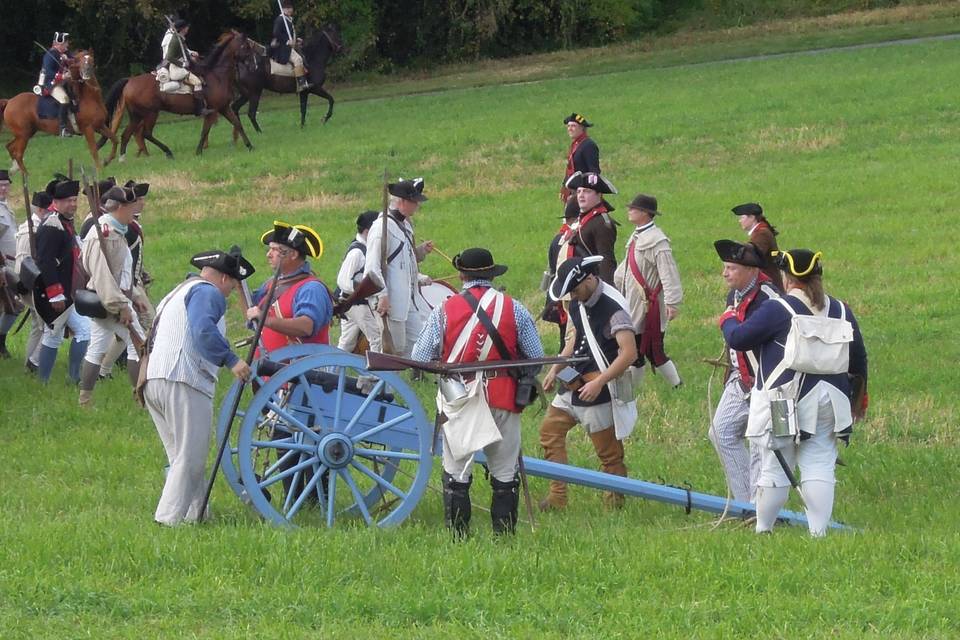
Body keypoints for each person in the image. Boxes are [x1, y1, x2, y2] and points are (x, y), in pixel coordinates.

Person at [720, 249, 868, 537]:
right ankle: (818, 534)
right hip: (830, 400)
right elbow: (859, 359)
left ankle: (763, 530)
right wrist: (858, 399)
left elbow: (739, 338)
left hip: (783, 403)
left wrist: (728, 318)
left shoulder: (778, 308)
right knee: (820, 464)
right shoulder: (841, 309)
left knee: (775, 467)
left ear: (788, 279)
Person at [412, 248, 544, 536]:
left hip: (459, 397)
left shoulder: (443, 310)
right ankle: (504, 537)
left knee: (457, 471)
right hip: (503, 396)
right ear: (491, 274)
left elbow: (420, 356)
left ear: (461, 275)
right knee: (505, 470)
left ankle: (459, 538)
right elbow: (535, 357)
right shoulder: (514, 307)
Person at [144, 247, 254, 526]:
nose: (229, 294)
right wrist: (231, 360)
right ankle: (167, 521)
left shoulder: (177, 291)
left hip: (155, 378)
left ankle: (197, 515)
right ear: (225, 279)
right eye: (232, 286)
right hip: (184, 378)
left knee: (181, 455)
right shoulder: (208, 292)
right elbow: (203, 330)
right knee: (190, 457)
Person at [539, 255, 637, 510]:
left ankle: (614, 506)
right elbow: (575, 340)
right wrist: (555, 368)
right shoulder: (577, 303)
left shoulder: (613, 309)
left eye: (574, 289)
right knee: (549, 433)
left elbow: (629, 353)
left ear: (589, 279)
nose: (572, 295)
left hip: (598, 387)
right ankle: (557, 497)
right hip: (572, 382)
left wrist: (599, 382)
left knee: (609, 455)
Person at [709, 240, 781, 503]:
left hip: (768, 384)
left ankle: (759, 509)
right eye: (725, 267)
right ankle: (743, 503)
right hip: (741, 379)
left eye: (731, 268)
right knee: (721, 432)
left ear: (751, 270)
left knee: (759, 447)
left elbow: (742, 337)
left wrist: (727, 321)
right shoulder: (735, 295)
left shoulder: (769, 300)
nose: (724, 273)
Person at [77, 185, 148, 406]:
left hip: (111, 299)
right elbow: (103, 277)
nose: (135, 209)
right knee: (140, 347)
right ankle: (142, 399)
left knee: (97, 349)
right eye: (130, 206)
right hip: (111, 302)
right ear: (119, 207)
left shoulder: (112, 230)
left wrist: (135, 295)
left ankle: (85, 400)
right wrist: (122, 306)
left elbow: (121, 272)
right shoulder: (104, 235)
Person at [613, 193, 683, 389]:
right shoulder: (637, 237)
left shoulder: (658, 241)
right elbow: (625, 269)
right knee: (633, 348)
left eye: (633, 208)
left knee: (654, 350)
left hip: (649, 305)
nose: (629, 210)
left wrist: (672, 302)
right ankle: (634, 392)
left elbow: (669, 274)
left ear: (645, 213)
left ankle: (677, 385)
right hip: (633, 302)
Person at [363, 178, 434, 357]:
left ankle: (414, 380)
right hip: (391, 301)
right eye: (414, 202)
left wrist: (419, 272)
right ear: (402, 202)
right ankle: (376, 384)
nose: (417, 206)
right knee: (392, 353)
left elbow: (404, 265)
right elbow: (372, 267)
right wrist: (382, 295)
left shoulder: (404, 226)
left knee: (419, 345)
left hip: (408, 300)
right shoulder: (381, 228)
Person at [32, 178, 90, 384]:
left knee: (83, 331)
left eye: (74, 200)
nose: (73, 204)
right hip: (55, 292)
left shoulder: (64, 223)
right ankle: (45, 382)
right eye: (68, 201)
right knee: (54, 334)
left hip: (67, 292)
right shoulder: (52, 225)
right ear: (56, 202)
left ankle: (72, 378)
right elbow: (45, 262)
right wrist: (55, 293)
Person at [96, 180, 153, 380]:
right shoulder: (119, 228)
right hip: (125, 288)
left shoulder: (130, 226)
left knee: (121, 337)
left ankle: (104, 371)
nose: (142, 203)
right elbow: (116, 263)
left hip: (132, 284)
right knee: (145, 330)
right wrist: (131, 292)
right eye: (138, 200)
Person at [246, 221, 332, 353]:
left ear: (293, 254)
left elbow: (306, 326)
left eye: (275, 250)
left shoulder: (311, 288)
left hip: (300, 369)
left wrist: (265, 319)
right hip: (269, 369)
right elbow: (251, 313)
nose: (268, 254)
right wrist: (238, 283)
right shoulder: (270, 284)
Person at [16, 189, 54, 372]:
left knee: (38, 327)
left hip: (39, 285)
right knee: (45, 326)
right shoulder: (28, 231)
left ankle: (31, 363)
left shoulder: (41, 226)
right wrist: (28, 288)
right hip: (31, 287)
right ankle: (33, 362)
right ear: (41, 210)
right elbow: (23, 263)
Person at [560, 171, 618, 284]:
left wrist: (605, 289)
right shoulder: (582, 219)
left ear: (599, 195)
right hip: (577, 282)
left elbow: (606, 260)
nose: (581, 195)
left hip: (591, 285)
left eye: (587, 191)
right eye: (579, 191)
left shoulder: (602, 223)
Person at [335, 210, 381, 353]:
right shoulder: (357, 253)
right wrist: (365, 291)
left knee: (346, 343)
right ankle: (371, 376)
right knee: (377, 339)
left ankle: (330, 373)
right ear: (368, 231)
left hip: (351, 304)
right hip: (356, 304)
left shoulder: (365, 249)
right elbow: (343, 281)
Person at [540, 196, 580, 351]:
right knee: (571, 337)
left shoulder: (557, 238)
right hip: (569, 292)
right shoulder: (571, 239)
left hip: (558, 291)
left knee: (565, 335)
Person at [160, 18, 212, 116]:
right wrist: (182, 64)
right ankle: (199, 110)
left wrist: (191, 54)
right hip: (177, 69)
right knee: (197, 82)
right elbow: (169, 57)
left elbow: (184, 52)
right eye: (187, 27)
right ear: (183, 28)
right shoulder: (175, 40)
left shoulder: (180, 38)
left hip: (180, 67)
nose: (188, 29)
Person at [732, 202, 782, 289]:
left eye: (742, 217)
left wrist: (737, 247)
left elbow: (754, 255)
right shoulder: (761, 231)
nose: (740, 221)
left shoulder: (762, 233)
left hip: (768, 284)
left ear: (752, 217)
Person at [36, 32, 75, 137]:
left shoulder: (65, 53)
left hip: (64, 82)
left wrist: (69, 61)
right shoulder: (50, 55)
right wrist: (62, 76)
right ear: (59, 44)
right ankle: (62, 129)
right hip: (51, 84)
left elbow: (74, 60)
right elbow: (48, 72)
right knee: (64, 99)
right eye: (65, 43)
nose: (67, 45)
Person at [0, 170, 21, 358]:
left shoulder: (4, 206)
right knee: (12, 306)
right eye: (0, 185)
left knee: (13, 306)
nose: (4, 188)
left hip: (10, 266)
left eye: (6, 184)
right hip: (2, 267)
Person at [270, 0, 311, 92]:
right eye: (287, 8)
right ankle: (302, 84)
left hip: (290, 46)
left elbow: (289, 34)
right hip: (282, 48)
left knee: (304, 56)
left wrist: (296, 40)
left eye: (290, 8)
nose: (289, 10)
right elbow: (276, 33)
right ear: (283, 9)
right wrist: (287, 41)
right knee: (298, 59)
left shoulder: (288, 19)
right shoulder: (280, 19)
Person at [559, 113, 600, 201]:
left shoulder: (589, 145)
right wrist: (564, 187)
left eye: (573, 126)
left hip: (583, 191)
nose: (570, 129)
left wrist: (590, 192)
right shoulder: (575, 145)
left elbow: (594, 171)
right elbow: (570, 170)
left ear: (582, 128)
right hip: (573, 190)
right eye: (568, 126)